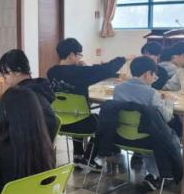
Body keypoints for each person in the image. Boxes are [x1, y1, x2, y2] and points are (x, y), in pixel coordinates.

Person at [47, 38, 126, 168]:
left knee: (76, 113)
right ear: (71, 55)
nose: (80, 57)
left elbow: (69, 75)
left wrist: (80, 67)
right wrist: (123, 59)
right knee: (103, 122)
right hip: (80, 124)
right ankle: (89, 158)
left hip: (59, 122)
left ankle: (78, 155)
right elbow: (106, 69)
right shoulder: (81, 72)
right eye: (79, 54)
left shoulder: (51, 72)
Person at [111, 56, 176, 189]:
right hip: (146, 140)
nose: (154, 78)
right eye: (154, 75)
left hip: (120, 137)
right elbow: (167, 117)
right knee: (168, 134)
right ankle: (164, 174)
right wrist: (169, 101)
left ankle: (154, 174)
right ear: (147, 74)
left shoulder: (118, 89)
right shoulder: (151, 93)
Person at [0, 49, 57, 139]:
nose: (4, 78)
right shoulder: (29, 88)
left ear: (18, 71)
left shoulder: (29, 94)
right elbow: (3, 108)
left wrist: (2, 128)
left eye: (6, 73)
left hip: (31, 147)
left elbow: (41, 127)